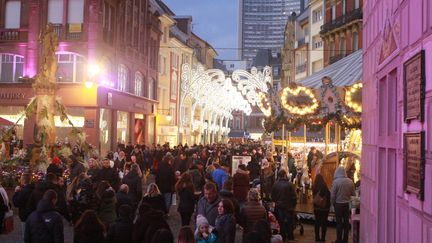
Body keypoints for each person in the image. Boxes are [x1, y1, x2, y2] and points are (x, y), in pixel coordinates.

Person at [271, 170, 297, 241]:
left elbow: (272, 196)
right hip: (288, 206)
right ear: (285, 175)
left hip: (279, 206)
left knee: (280, 222)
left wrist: (276, 202)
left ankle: (283, 236)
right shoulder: (290, 184)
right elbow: (294, 197)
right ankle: (290, 236)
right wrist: (293, 205)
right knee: (289, 222)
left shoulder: (275, 184)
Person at [331, 167, 356, 243]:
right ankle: (345, 240)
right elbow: (353, 194)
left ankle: (339, 239)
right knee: (346, 223)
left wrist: (332, 204)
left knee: (339, 223)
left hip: (338, 204)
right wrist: (353, 206)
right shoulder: (350, 181)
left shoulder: (336, 182)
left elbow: (333, 195)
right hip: (347, 205)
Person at [312, 173, 331, 242]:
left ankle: (317, 237)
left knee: (317, 222)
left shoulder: (314, 187)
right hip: (324, 208)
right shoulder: (324, 186)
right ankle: (323, 238)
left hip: (316, 208)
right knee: (324, 223)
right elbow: (328, 196)